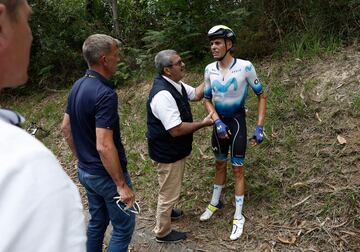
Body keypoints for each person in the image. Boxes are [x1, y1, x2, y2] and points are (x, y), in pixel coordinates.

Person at [0, 1, 86, 251]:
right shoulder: (25, 168)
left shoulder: (77, 87)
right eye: (27, 21)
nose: (30, 35)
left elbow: (65, 125)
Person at [61, 34, 136, 252]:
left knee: (97, 221)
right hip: (105, 176)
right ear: (104, 59)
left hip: (86, 171)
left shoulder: (78, 85)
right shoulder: (105, 94)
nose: (118, 59)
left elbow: (66, 127)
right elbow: (104, 145)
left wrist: (82, 158)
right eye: (116, 55)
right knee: (123, 227)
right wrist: (121, 185)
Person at [200, 25, 267, 241]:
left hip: (238, 122)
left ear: (229, 44)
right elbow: (207, 99)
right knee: (219, 164)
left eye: (217, 42)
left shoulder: (246, 67)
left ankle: (239, 216)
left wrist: (259, 126)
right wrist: (217, 122)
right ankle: (215, 201)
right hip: (219, 124)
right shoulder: (209, 69)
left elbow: (261, 95)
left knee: (238, 169)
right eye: (211, 43)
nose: (213, 47)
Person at [146, 49, 214, 243]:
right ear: (167, 70)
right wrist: (203, 123)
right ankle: (162, 232)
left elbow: (196, 95)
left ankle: (169, 212)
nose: (183, 64)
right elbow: (175, 129)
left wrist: (209, 75)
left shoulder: (176, 85)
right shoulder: (163, 95)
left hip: (171, 149)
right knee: (168, 191)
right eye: (178, 63)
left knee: (168, 186)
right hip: (167, 152)